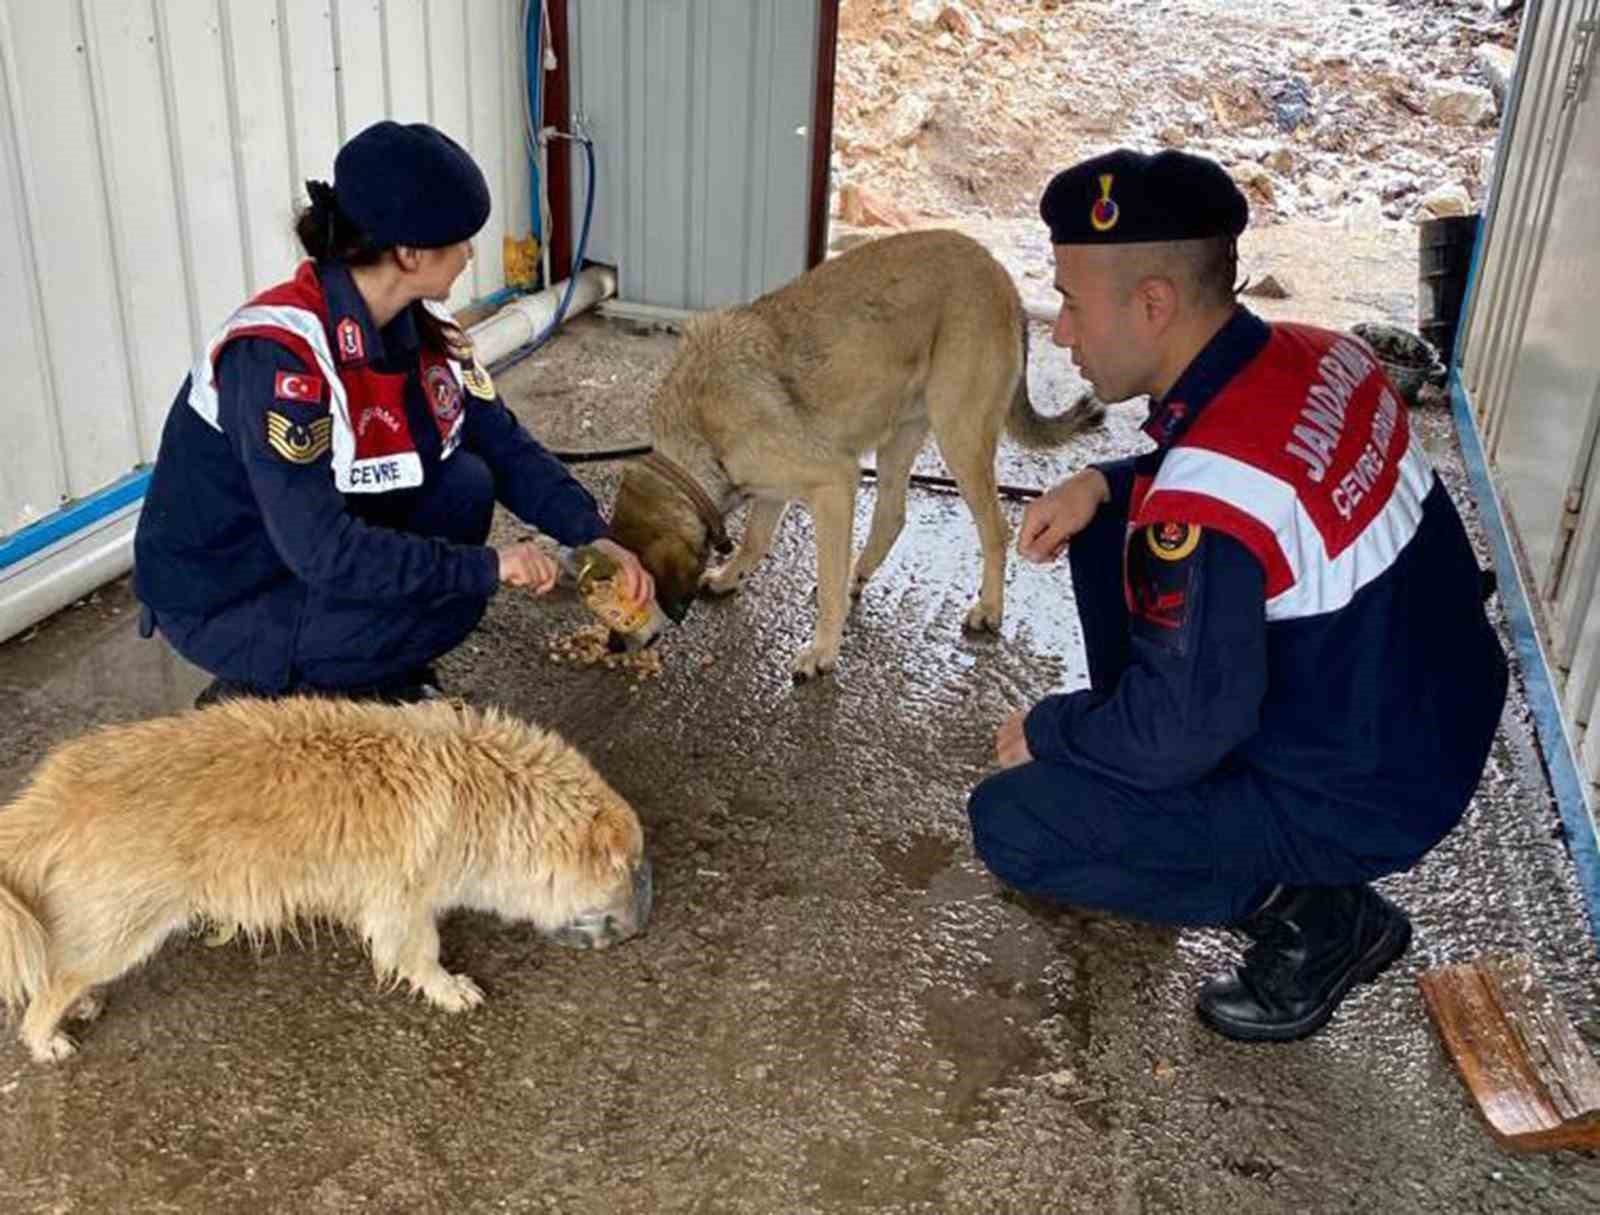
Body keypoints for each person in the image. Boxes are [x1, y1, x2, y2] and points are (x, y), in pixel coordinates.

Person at [966, 149, 1509, 1042]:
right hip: (1425, 704)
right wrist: (1105, 481)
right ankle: (1152, 759)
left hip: (1363, 789)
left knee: (1017, 821)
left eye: (1070, 302)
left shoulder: (1209, 507)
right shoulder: (1325, 355)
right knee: (1112, 520)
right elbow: (1251, 464)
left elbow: (1186, 726)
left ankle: (1315, 915)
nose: (1062, 332)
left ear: (1153, 305)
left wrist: (1056, 728)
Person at [133, 120, 651, 706]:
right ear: (408, 252)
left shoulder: (421, 327)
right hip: (227, 591)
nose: (469, 253)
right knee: (451, 599)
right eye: (458, 240)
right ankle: (259, 693)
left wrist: (593, 534)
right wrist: (487, 567)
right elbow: (323, 550)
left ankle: (363, 666)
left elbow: (504, 446)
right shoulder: (281, 358)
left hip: (293, 554)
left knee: (466, 486)